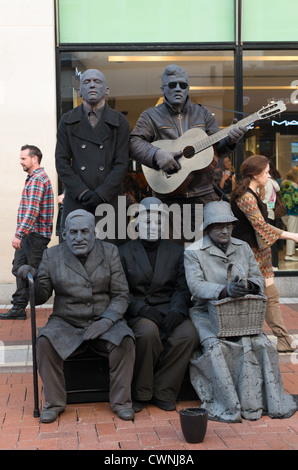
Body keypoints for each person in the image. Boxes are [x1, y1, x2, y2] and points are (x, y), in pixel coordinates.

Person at [184, 201, 298, 423]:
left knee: (262, 344)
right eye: (219, 226)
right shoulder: (193, 252)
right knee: (216, 347)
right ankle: (229, 403)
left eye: (229, 225)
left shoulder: (243, 247)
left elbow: (258, 278)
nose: (225, 230)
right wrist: (224, 290)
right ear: (208, 228)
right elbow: (196, 286)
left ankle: (265, 401)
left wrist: (251, 286)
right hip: (207, 314)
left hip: (243, 314)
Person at [18, 209, 135, 423]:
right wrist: (27, 281)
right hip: (66, 321)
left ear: (94, 232)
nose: (78, 238)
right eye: (72, 232)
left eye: (84, 232)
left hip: (104, 319)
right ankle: (54, 403)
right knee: (44, 342)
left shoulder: (109, 252)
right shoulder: (51, 255)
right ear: (64, 234)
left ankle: (121, 402)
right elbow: (42, 296)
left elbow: (120, 295)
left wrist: (107, 321)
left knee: (125, 341)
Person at [130, 64, 247, 243]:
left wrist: (231, 140)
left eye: (183, 85)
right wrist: (157, 154)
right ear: (163, 89)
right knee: (171, 255)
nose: (178, 88)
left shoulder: (203, 114)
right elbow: (133, 143)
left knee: (207, 251)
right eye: (172, 85)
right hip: (167, 197)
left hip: (203, 195)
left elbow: (217, 150)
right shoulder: (150, 116)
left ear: (188, 88)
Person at [119, 197, 199, 412]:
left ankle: (164, 390)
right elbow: (120, 290)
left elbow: (182, 288)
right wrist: (140, 309)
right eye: (147, 222)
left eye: (158, 223)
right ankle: (141, 391)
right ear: (136, 224)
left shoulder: (176, 251)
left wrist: (177, 310)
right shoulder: (124, 253)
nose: (153, 227)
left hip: (169, 309)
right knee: (147, 332)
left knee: (189, 333)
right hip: (139, 312)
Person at [230, 155, 298, 352]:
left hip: (257, 252)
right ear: (255, 174)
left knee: (270, 295)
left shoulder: (249, 193)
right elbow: (260, 226)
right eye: (266, 172)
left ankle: (283, 339)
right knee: (251, 296)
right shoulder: (246, 197)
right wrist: (291, 235)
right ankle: (276, 338)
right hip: (250, 253)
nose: (269, 176)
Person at [55, 68, 130, 235]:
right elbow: (61, 162)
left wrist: (102, 194)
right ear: (80, 91)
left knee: (110, 254)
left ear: (107, 89)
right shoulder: (67, 121)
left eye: (97, 82)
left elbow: (121, 163)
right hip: (77, 199)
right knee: (76, 252)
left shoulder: (119, 121)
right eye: (87, 82)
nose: (92, 86)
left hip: (109, 200)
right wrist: (82, 193)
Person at [0, 145, 54, 321]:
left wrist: (19, 234)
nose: (20, 162)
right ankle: (18, 308)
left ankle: (59, 305)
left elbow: (32, 210)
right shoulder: (32, 178)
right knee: (19, 269)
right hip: (29, 235)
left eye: (23, 158)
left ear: (34, 159)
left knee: (35, 274)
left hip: (35, 236)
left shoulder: (38, 179)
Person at [262, 163, 282, 269]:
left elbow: (262, 198)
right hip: (271, 212)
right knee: (272, 238)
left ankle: (272, 264)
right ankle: (275, 264)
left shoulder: (263, 183)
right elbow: (278, 190)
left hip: (264, 212)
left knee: (268, 238)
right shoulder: (273, 183)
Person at [280, 166, 298, 262]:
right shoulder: (294, 185)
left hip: (284, 212)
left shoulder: (283, 183)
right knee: (292, 233)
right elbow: (296, 200)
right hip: (293, 212)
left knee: (289, 232)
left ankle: (290, 253)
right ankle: (289, 255)